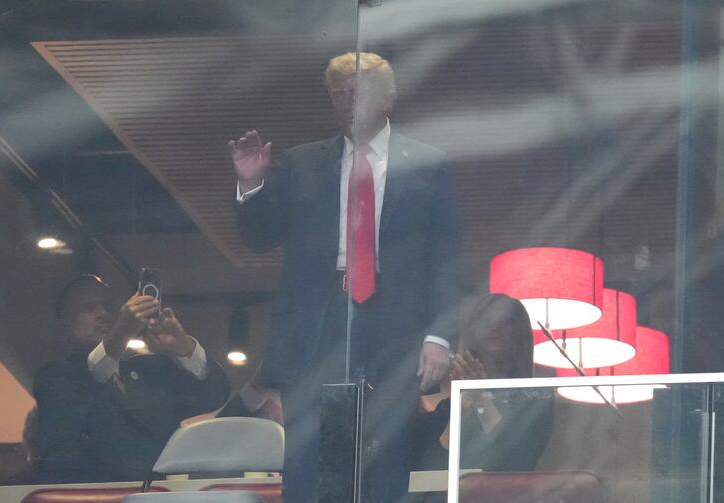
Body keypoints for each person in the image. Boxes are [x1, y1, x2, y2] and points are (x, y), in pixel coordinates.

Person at [230, 52, 460, 502]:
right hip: (318, 321)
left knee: (386, 457)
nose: (347, 101)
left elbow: (445, 258)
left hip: (392, 323)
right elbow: (259, 237)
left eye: (359, 90)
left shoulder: (427, 163)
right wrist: (252, 184)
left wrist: (440, 335)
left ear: (388, 97)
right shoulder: (301, 163)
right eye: (338, 93)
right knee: (306, 460)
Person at [33, 274, 230, 483]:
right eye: (88, 308)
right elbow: (93, 382)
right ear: (64, 323)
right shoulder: (56, 376)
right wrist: (122, 332)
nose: (102, 314)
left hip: (156, 496)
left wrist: (183, 346)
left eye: (108, 307)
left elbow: (214, 394)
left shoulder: (150, 369)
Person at [412, 294, 554, 472]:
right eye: (487, 319)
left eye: (505, 321)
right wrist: (460, 400)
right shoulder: (448, 397)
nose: (494, 327)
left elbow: (515, 456)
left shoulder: (536, 397)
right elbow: (432, 459)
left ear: (519, 332)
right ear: (474, 329)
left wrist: (479, 397)